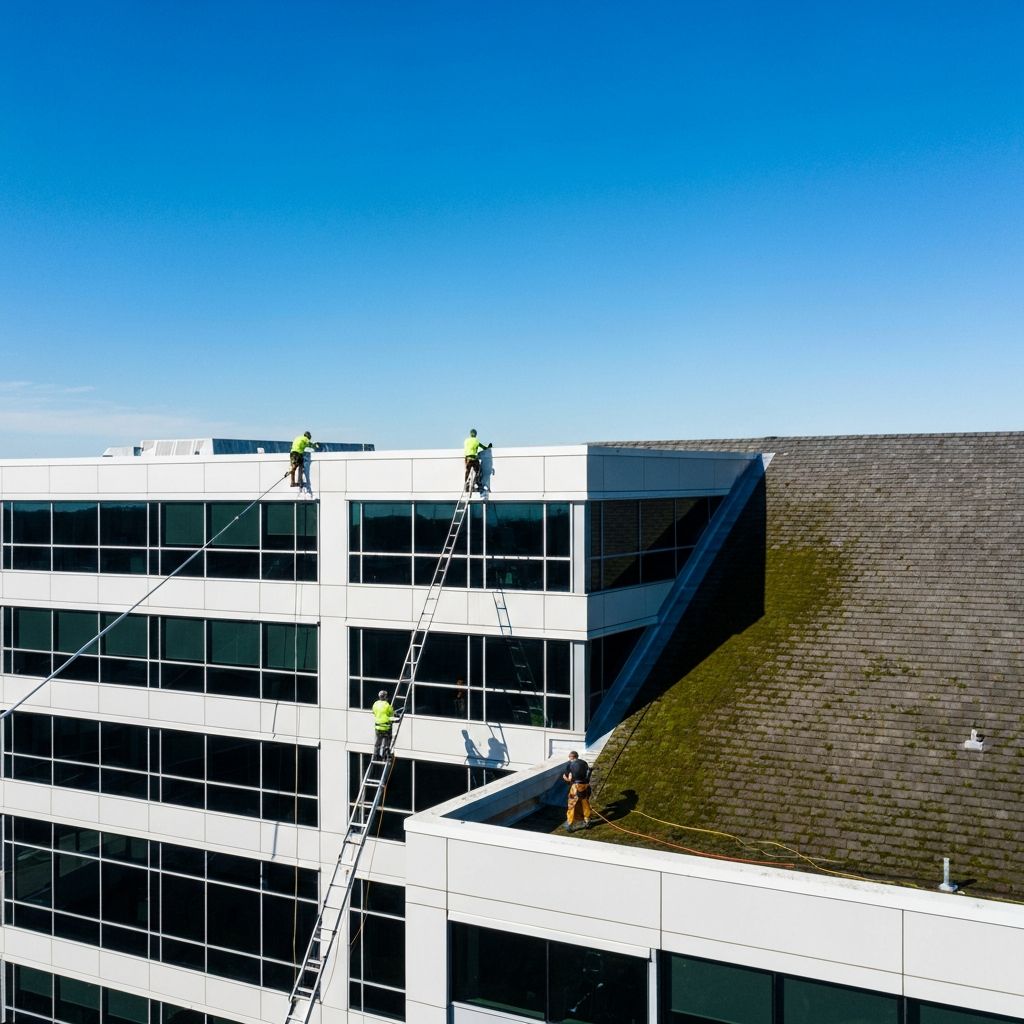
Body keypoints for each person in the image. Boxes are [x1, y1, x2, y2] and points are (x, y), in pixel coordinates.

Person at [562, 750, 592, 831]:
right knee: (585, 804)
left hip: (575, 787)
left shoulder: (570, 764)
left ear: (572, 757)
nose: (569, 758)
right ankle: (587, 821)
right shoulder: (584, 763)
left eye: (569, 757)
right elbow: (588, 773)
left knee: (572, 805)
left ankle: (569, 824)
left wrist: (566, 779)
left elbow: (569, 778)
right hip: (585, 786)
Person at [372, 689, 395, 760]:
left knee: (377, 742)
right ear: (385, 697)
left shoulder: (375, 704)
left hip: (378, 727)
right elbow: (391, 715)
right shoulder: (388, 706)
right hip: (386, 727)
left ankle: (375, 755)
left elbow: (374, 712)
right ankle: (385, 754)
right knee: (388, 739)